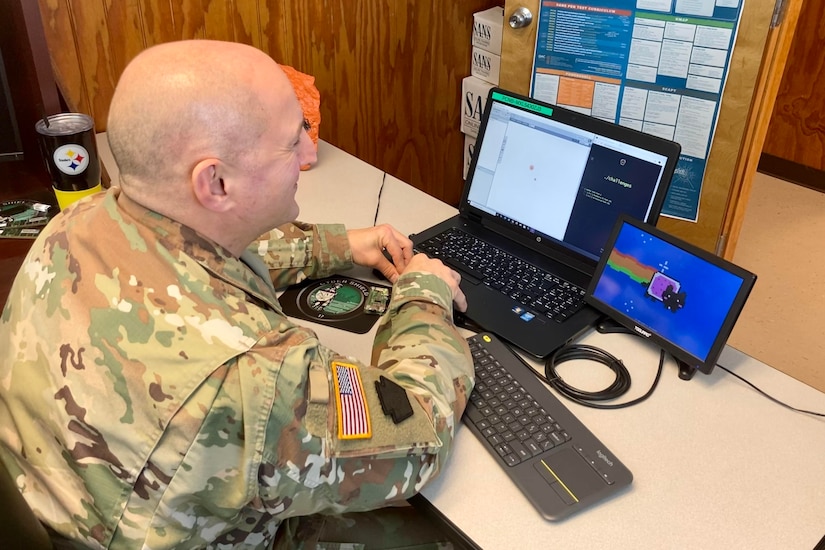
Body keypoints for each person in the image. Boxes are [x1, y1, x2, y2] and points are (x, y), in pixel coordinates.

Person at [0, 40, 473, 549]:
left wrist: (335, 245)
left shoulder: (75, 224)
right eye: (295, 142)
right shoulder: (254, 381)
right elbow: (417, 431)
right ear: (216, 182)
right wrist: (423, 295)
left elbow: (197, 250)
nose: (310, 155)